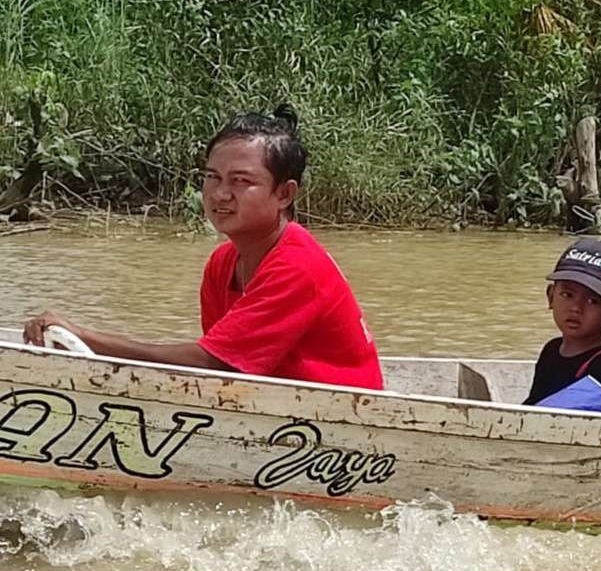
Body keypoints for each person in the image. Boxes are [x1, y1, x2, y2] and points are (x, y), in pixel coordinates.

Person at [23, 105, 384, 390]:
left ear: (284, 194)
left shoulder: (297, 265)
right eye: (212, 177)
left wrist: (85, 337)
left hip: (339, 418)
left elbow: (213, 362)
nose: (219, 194)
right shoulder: (223, 262)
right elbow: (221, 366)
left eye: (241, 181)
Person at [525, 239, 601, 412]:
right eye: (567, 295)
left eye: (592, 301)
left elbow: (549, 416)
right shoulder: (551, 349)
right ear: (551, 296)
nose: (576, 308)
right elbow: (532, 407)